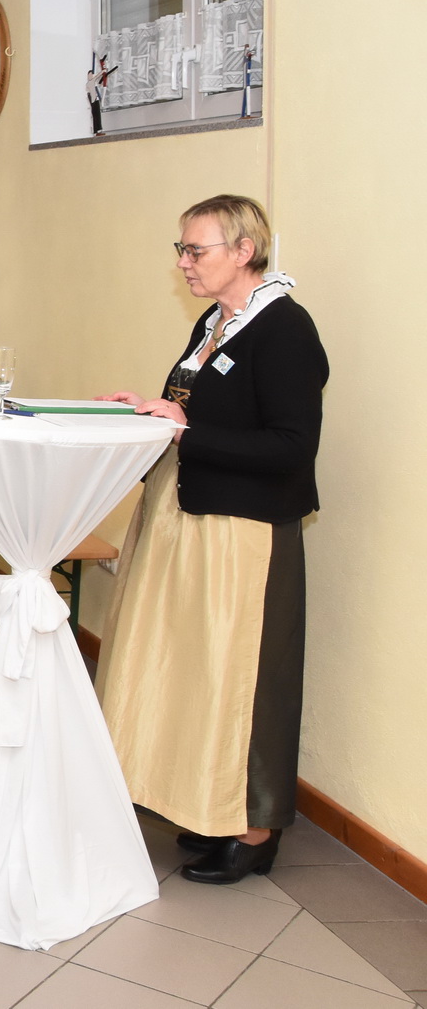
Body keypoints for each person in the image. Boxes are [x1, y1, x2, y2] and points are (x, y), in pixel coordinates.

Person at [95, 195, 327, 885]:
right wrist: (150, 412)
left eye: (196, 250)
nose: (184, 263)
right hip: (191, 518)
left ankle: (255, 829)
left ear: (244, 251)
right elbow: (197, 411)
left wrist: (186, 431)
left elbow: (291, 447)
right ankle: (206, 807)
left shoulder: (284, 330)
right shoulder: (215, 321)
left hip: (243, 535)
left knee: (243, 678)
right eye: (182, 250)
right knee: (195, 670)